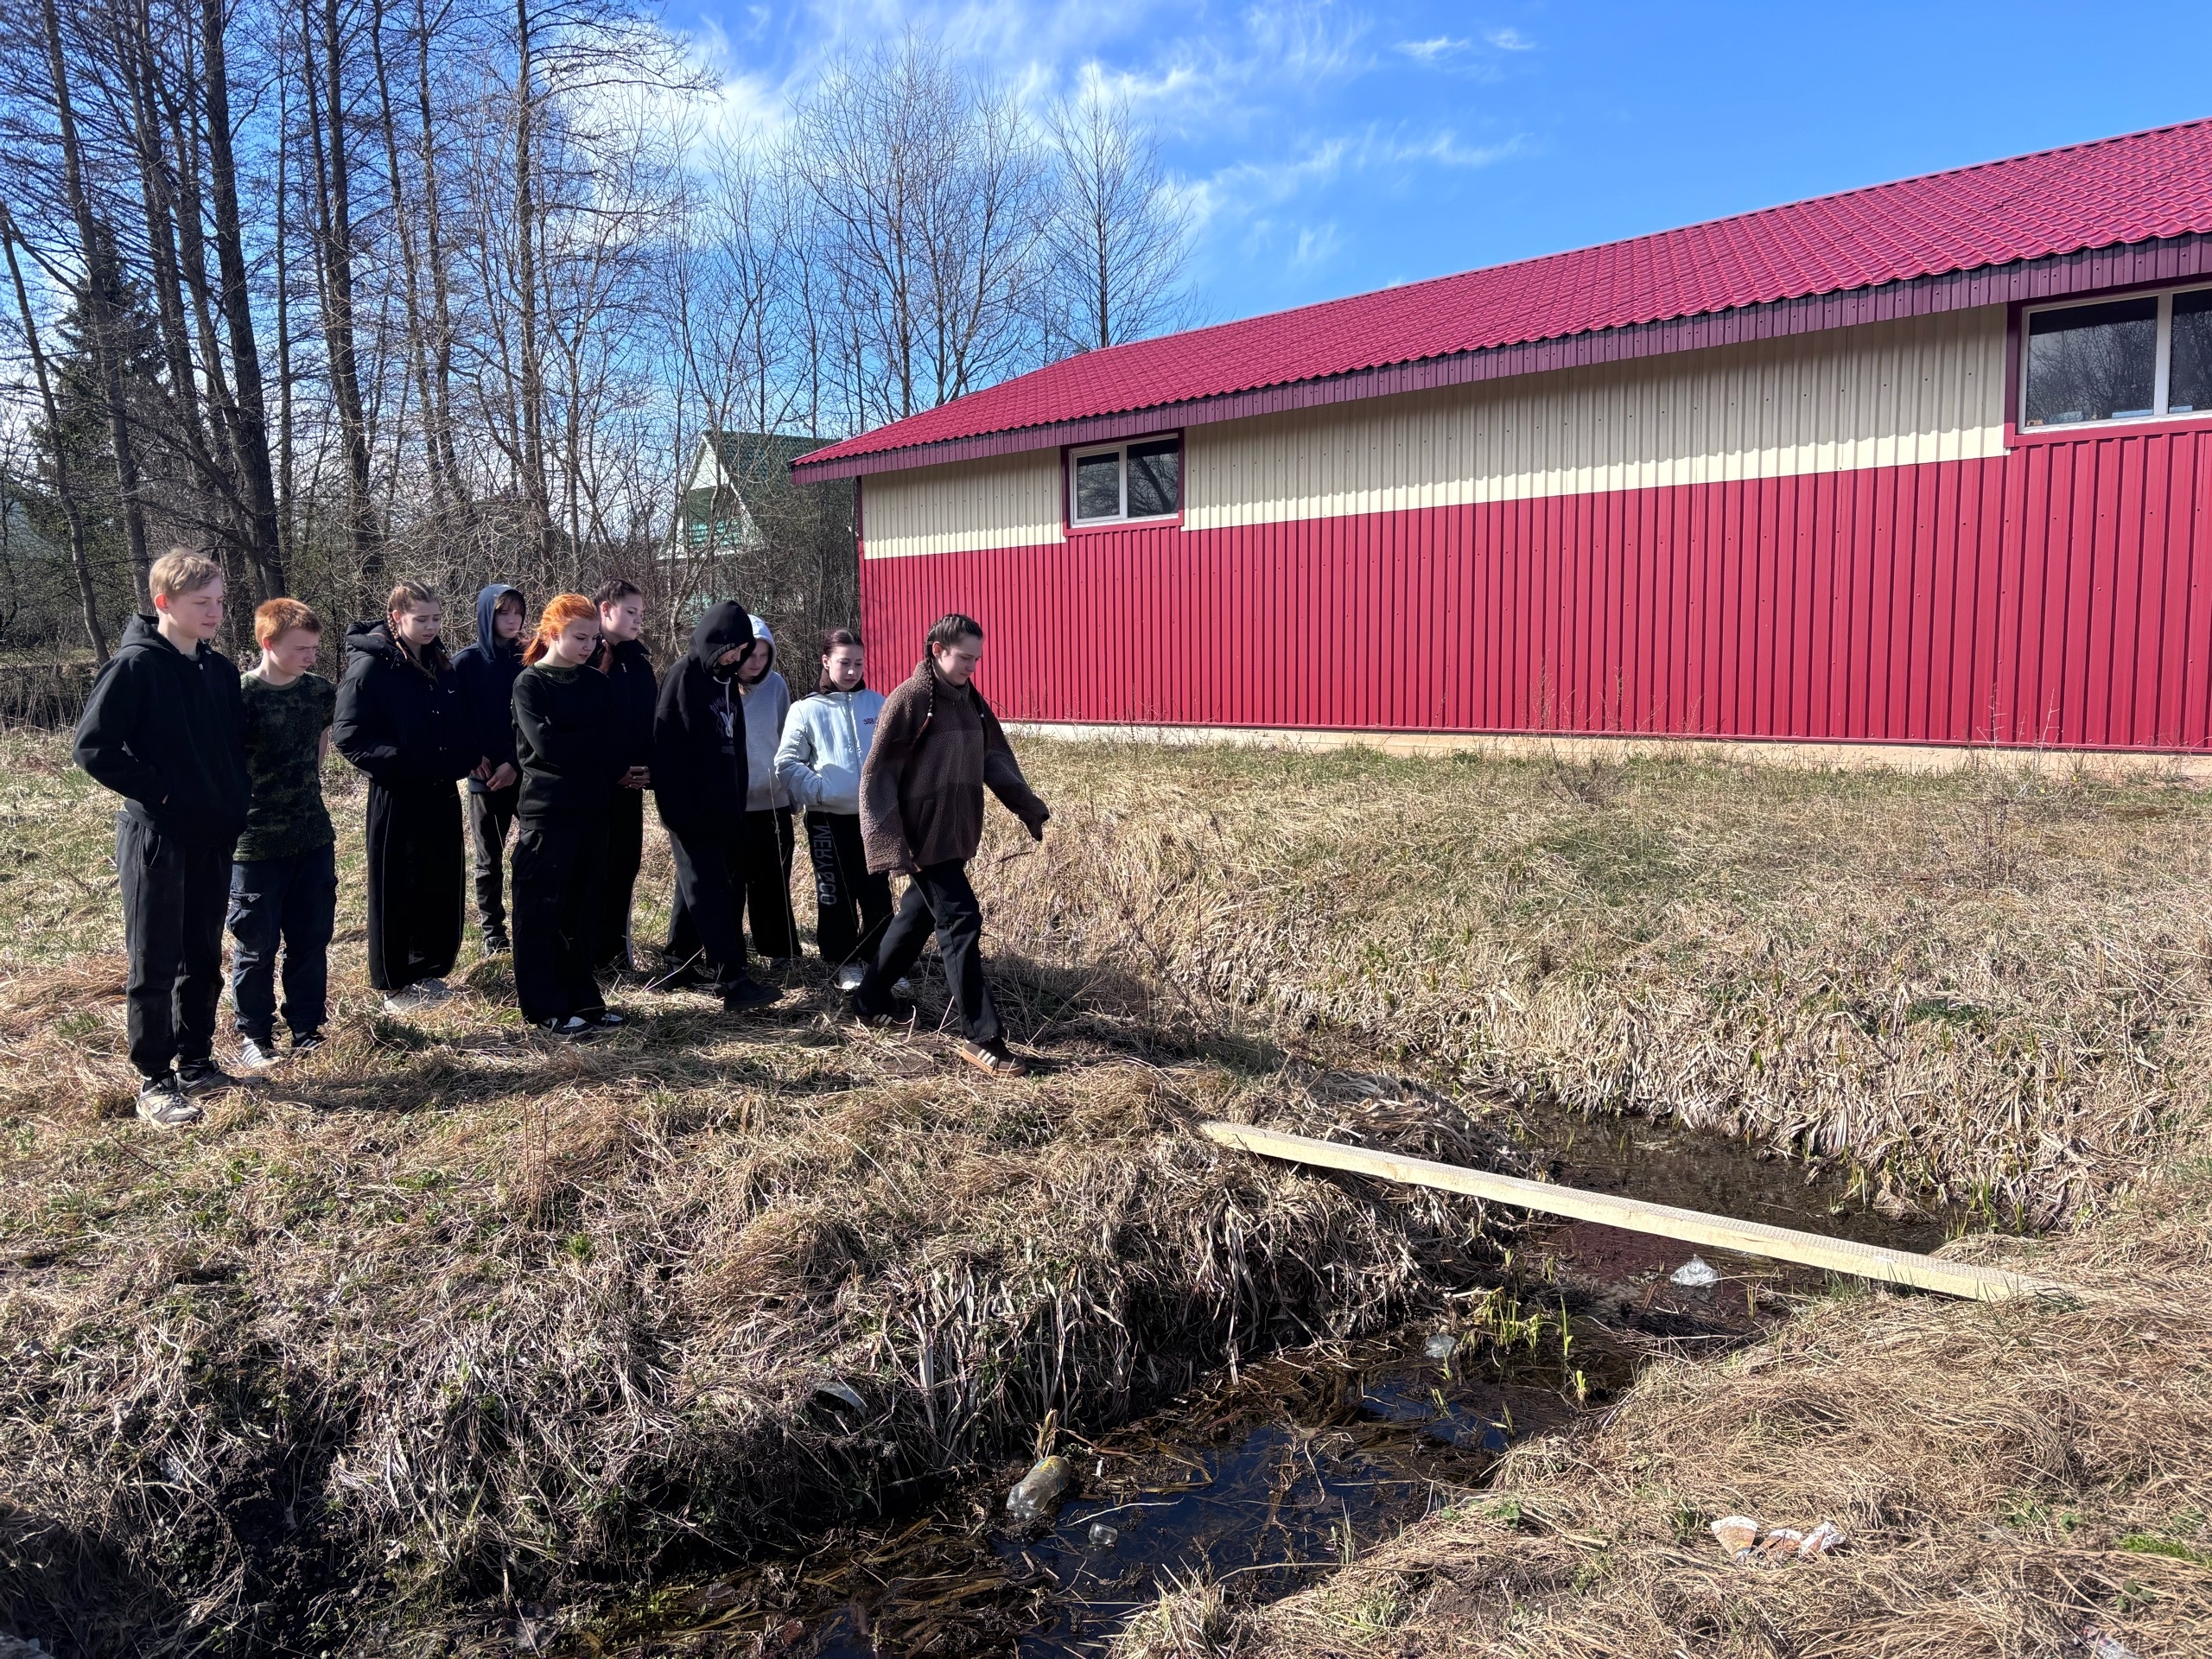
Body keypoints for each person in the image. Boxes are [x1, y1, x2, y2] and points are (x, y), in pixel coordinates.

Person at [72, 549, 250, 1127]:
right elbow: (93, 748)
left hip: (213, 835)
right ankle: (154, 1078)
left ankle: (197, 1061)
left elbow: (230, 749)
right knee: (155, 959)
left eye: (219, 601)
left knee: (202, 956)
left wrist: (233, 801)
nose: (214, 612)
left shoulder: (219, 671)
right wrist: (163, 794)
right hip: (157, 837)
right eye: (202, 603)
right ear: (164, 603)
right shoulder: (135, 667)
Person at [853, 613, 1050, 1077]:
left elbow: (994, 758)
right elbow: (878, 774)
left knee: (917, 916)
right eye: (964, 657)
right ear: (937, 650)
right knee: (961, 920)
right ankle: (982, 1038)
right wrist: (886, 839)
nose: (971, 667)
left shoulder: (970, 701)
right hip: (921, 836)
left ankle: (870, 998)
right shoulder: (911, 699)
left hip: (956, 832)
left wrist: (1026, 805)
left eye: (977, 659)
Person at [334, 581, 475, 1014]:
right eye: (421, 619)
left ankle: (430, 970)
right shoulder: (371, 667)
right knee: (398, 886)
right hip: (397, 793)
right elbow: (349, 736)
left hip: (440, 790)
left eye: (436, 618)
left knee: (439, 881)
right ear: (396, 618)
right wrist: (405, 761)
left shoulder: (441, 663)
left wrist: (463, 756)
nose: (431, 627)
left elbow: (458, 722)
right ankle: (396, 983)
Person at [650, 601, 779, 1012]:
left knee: (695, 884)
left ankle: (678, 962)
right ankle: (732, 978)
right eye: (732, 649)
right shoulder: (683, 677)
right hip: (690, 807)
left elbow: (735, 747)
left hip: (724, 807)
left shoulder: (725, 682)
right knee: (711, 889)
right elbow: (667, 747)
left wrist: (736, 800)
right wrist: (676, 810)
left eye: (742, 651)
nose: (736, 658)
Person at [228, 598, 339, 1071]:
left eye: (314, 648)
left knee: (311, 940)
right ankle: (255, 1034)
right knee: (257, 946)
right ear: (268, 643)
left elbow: (321, 743)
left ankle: (307, 1028)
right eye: (300, 649)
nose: (310, 657)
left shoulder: (320, 692)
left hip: (312, 834)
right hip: (255, 842)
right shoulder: (240, 695)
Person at [510, 594, 626, 1036]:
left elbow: (614, 742)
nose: (588, 646)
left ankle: (584, 1000)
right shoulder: (530, 684)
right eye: (580, 637)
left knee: (583, 909)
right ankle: (544, 1007)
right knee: (542, 910)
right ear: (552, 634)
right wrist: (588, 744)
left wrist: (579, 743)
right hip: (547, 812)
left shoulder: (597, 683)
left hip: (592, 808)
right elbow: (546, 746)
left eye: (594, 639)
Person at [776, 628, 893, 992]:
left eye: (859, 663)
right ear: (826, 662)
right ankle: (844, 962)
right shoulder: (806, 709)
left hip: (874, 817)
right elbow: (787, 762)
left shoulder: (878, 704)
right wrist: (821, 791)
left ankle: (880, 961)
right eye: (844, 663)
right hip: (827, 819)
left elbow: (897, 755)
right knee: (835, 892)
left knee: (877, 893)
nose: (853, 671)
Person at [452, 583, 526, 953]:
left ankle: (532, 924)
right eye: (503, 613)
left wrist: (515, 762)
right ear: (486, 614)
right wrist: (471, 756)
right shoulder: (464, 663)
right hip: (484, 777)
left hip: (526, 772)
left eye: (518, 612)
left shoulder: (530, 657)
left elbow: (536, 720)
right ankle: (493, 934)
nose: (513, 620)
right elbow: (451, 718)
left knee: (535, 852)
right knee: (488, 859)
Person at [589, 578, 656, 976]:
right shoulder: (584, 657)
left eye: (640, 614)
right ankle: (590, 954)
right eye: (631, 612)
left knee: (625, 864)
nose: (638, 620)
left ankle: (616, 954)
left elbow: (650, 725)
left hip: (633, 785)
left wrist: (649, 769)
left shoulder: (639, 663)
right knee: (594, 868)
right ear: (605, 609)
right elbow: (587, 728)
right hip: (595, 786)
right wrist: (612, 771)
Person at [735, 614, 803, 963]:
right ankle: (730, 956)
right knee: (733, 884)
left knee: (773, 882)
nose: (757, 663)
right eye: (750, 655)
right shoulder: (719, 686)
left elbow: (787, 741)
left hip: (771, 801)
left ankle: (779, 952)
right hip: (732, 803)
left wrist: (791, 792)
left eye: (764, 655)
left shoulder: (776, 686)